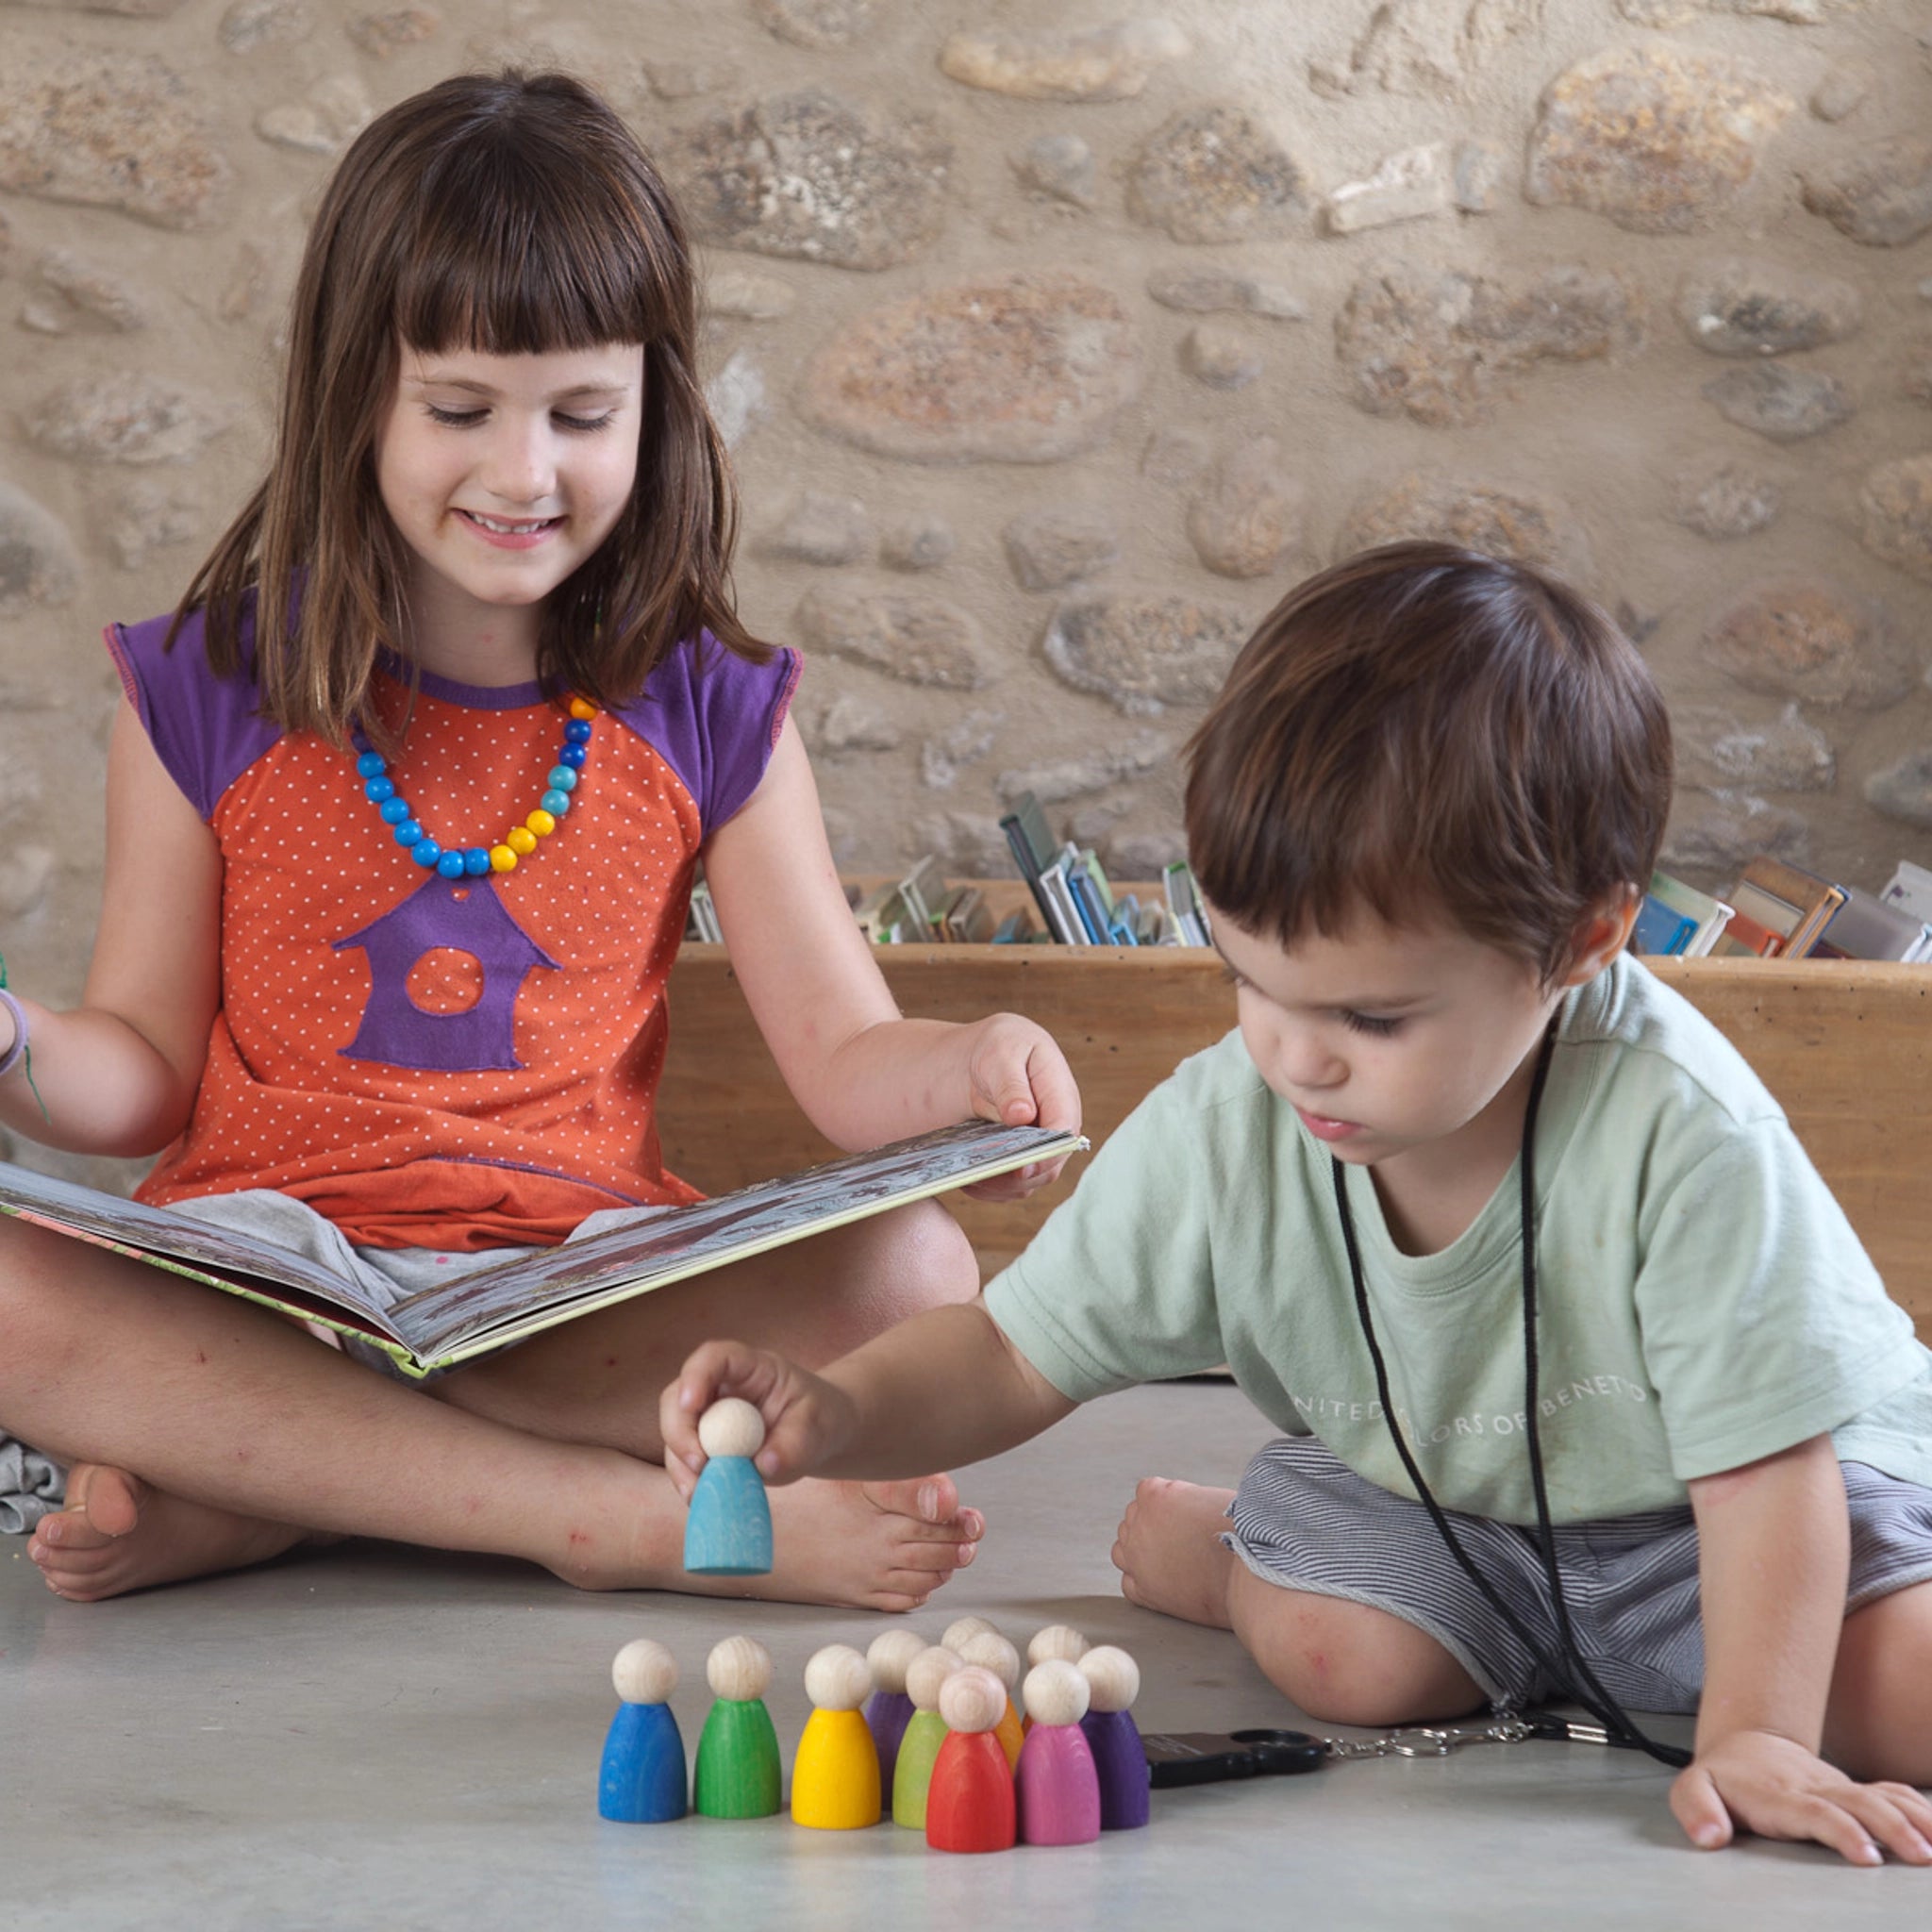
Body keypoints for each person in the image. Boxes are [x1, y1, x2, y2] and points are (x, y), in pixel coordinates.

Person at [662, 542, 1932, 1865]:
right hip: (1440, 1501)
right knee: (1353, 1663)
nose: (1293, 1055)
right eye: (1249, 982)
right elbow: (1007, 1351)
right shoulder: (1234, 1120)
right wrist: (840, 1409)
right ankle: (1224, 1553)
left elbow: (1767, 1480)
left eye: (1369, 1016)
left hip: (1726, 1509)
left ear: (1582, 943)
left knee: (1909, 1698)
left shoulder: (1686, 1133)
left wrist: (1760, 1732)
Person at [0, 70, 1077, 1611]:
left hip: (566, 1292)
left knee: (914, 1273)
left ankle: (275, 1483)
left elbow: (848, 1056)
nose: (525, 475)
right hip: (264, 1281)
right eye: (459, 411)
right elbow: (137, 1077)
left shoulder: (713, 710)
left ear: (656, 401)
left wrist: (972, 1073)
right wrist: (13, 1040)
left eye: (583, 414)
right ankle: (618, 1518)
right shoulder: (206, 686)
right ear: (355, 395)